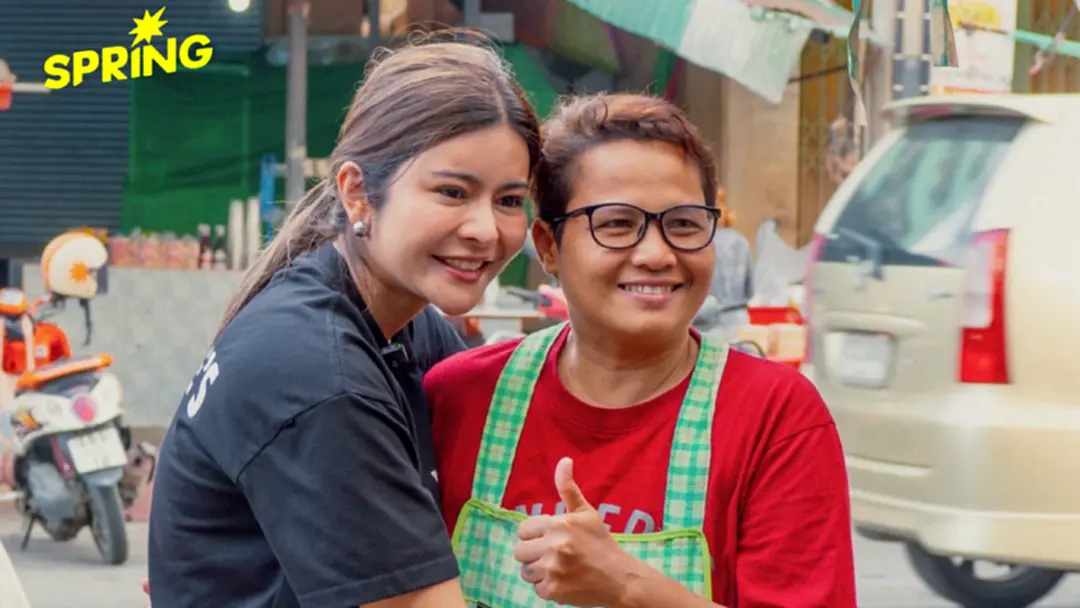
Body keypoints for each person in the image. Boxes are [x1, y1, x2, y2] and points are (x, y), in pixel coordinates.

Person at [146, 34, 541, 607]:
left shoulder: (400, 324)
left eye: (509, 200)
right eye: (452, 191)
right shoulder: (318, 371)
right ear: (358, 194)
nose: (486, 228)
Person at [426, 94, 856, 607]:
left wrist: (627, 585)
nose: (656, 254)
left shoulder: (776, 418)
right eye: (616, 224)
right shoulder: (459, 396)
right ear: (548, 247)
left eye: (685, 224)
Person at [706, 187, 754, 337]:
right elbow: (750, 290)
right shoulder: (741, 242)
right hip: (739, 323)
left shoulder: (701, 244)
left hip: (707, 325)